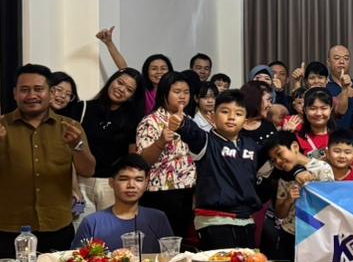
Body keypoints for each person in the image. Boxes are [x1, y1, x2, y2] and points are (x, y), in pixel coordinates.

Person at [0, 64, 95, 262]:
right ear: (15, 94)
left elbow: (87, 170)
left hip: (56, 228)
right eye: (24, 90)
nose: (31, 95)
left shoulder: (71, 127)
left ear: (50, 93)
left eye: (38, 89)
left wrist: (77, 145)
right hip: (7, 231)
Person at [173, 89, 273, 249]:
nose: (231, 117)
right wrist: (182, 123)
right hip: (214, 220)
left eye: (238, 113)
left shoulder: (251, 146)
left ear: (245, 120)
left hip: (246, 219)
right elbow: (193, 133)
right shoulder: (207, 141)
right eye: (225, 111)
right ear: (213, 116)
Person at [135, 71, 197, 239]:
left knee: (180, 241)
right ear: (164, 93)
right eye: (177, 91)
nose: (182, 96)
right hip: (161, 191)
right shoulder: (151, 121)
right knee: (161, 242)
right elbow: (142, 161)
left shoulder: (190, 120)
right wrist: (161, 141)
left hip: (187, 190)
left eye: (186, 92)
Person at [71, 154, 173, 253]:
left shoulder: (158, 219)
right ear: (111, 182)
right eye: (124, 179)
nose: (131, 185)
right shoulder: (92, 223)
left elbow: (171, 257)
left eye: (138, 180)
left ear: (146, 183)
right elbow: (77, 260)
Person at [79, 68, 147, 215]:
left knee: (111, 227)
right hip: (81, 183)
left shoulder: (132, 119)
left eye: (129, 90)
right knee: (82, 227)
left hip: (111, 184)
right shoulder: (83, 108)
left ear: (132, 96)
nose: (121, 89)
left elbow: (131, 157)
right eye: (120, 82)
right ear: (111, 80)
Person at [263, 130, 334, 262]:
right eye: (273, 160)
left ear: (295, 147)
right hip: (290, 234)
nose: (278, 161)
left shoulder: (321, 168)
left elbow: (328, 204)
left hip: (316, 235)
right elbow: (280, 214)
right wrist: (289, 200)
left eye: (279, 154)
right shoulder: (282, 176)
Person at [327, 45, 353, 132]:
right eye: (337, 58)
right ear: (329, 62)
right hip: (331, 135)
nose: (342, 61)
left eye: (346, 58)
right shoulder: (323, 86)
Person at [295, 88, 334, 157]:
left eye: (323, 108)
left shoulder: (340, 137)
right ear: (305, 110)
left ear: (331, 109)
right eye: (313, 108)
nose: (318, 113)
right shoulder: (296, 138)